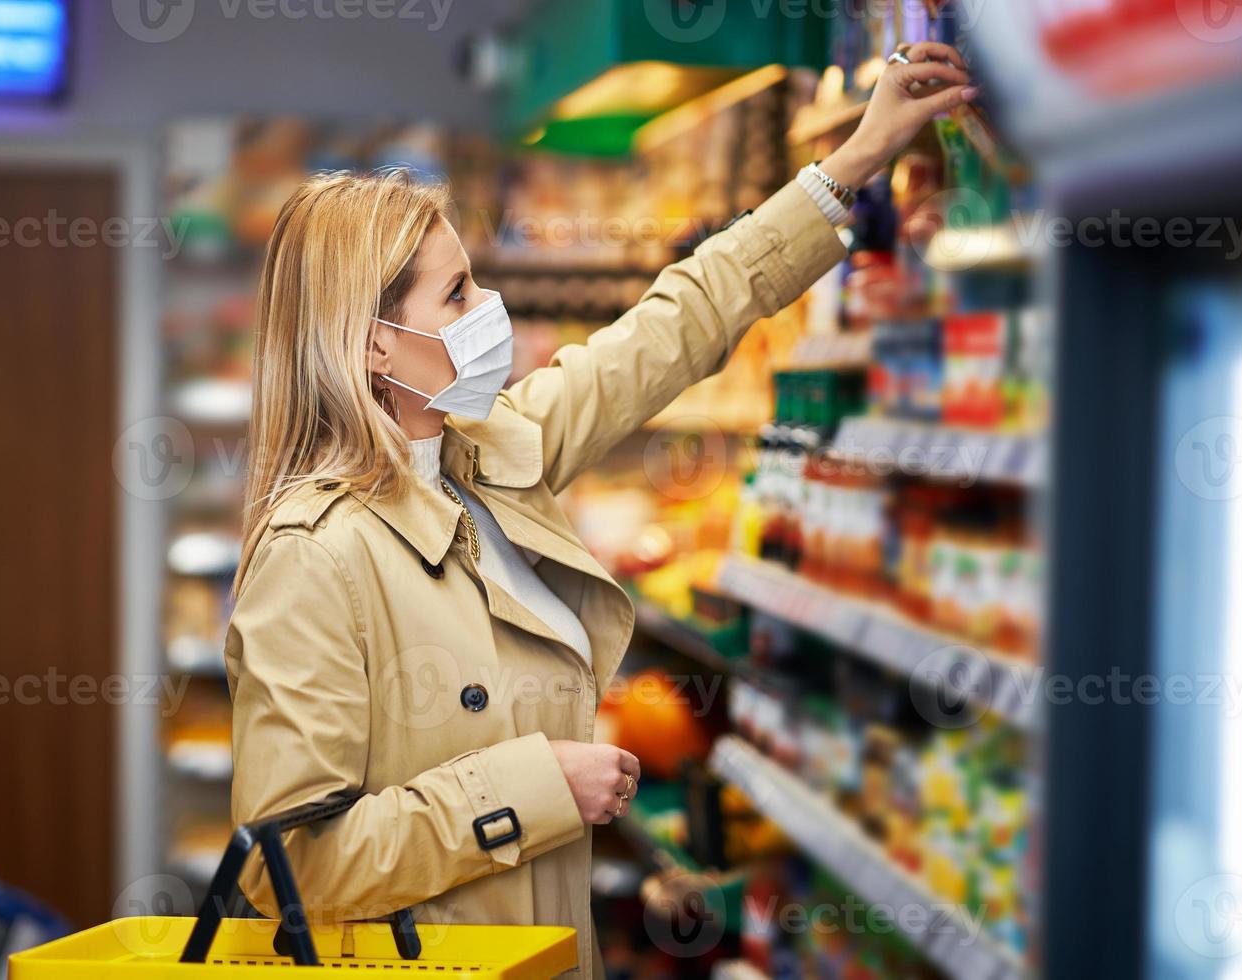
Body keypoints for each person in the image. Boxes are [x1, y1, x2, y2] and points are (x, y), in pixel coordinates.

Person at [225, 42, 975, 977]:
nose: (487, 306)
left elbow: (674, 324)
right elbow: (290, 864)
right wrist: (535, 784)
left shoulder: (488, 452)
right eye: (458, 291)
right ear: (377, 347)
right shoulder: (315, 555)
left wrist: (853, 162)